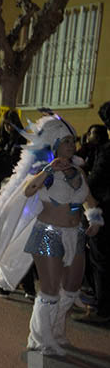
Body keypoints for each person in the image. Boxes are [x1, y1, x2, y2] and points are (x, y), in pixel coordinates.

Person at [0, 113, 103, 356]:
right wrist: (48, 169)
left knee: (71, 287)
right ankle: (40, 339)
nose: (72, 145)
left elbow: (89, 200)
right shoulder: (46, 171)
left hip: (75, 235)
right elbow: (27, 191)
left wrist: (94, 218)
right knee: (49, 288)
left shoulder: (79, 173)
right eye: (67, 141)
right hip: (48, 233)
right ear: (56, 144)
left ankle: (57, 332)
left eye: (73, 141)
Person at [76, 102, 110, 324]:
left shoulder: (106, 152)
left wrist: (80, 176)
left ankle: (103, 310)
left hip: (103, 211)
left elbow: (95, 181)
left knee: (101, 260)